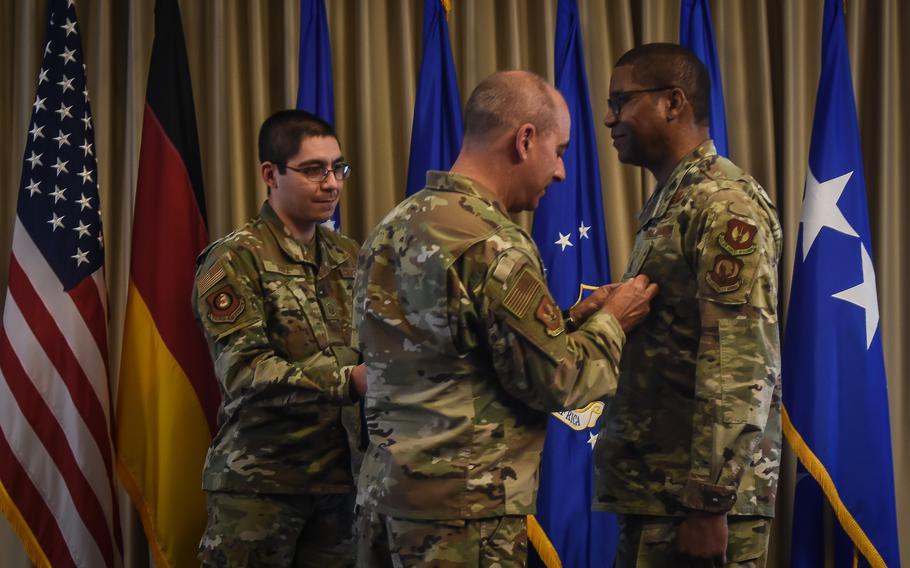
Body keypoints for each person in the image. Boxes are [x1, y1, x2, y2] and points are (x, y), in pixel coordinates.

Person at [352, 70, 658, 568]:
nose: (560, 172)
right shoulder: (494, 242)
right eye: (559, 151)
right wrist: (614, 322)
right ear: (525, 139)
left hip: (384, 506)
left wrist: (573, 319)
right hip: (462, 520)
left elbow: (452, 354)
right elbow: (557, 382)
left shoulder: (394, 225)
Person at [593, 43, 783, 567]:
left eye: (621, 100)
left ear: (672, 102)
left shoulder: (723, 203)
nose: (609, 117)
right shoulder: (676, 199)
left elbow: (740, 362)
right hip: (661, 493)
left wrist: (708, 504)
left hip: (695, 504)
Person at [192, 109, 366, 568]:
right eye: (313, 170)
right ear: (270, 174)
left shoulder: (351, 256)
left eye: (338, 168)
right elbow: (246, 371)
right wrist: (349, 380)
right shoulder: (232, 259)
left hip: (338, 484)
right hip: (259, 487)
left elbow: (388, 342)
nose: (331, 183)